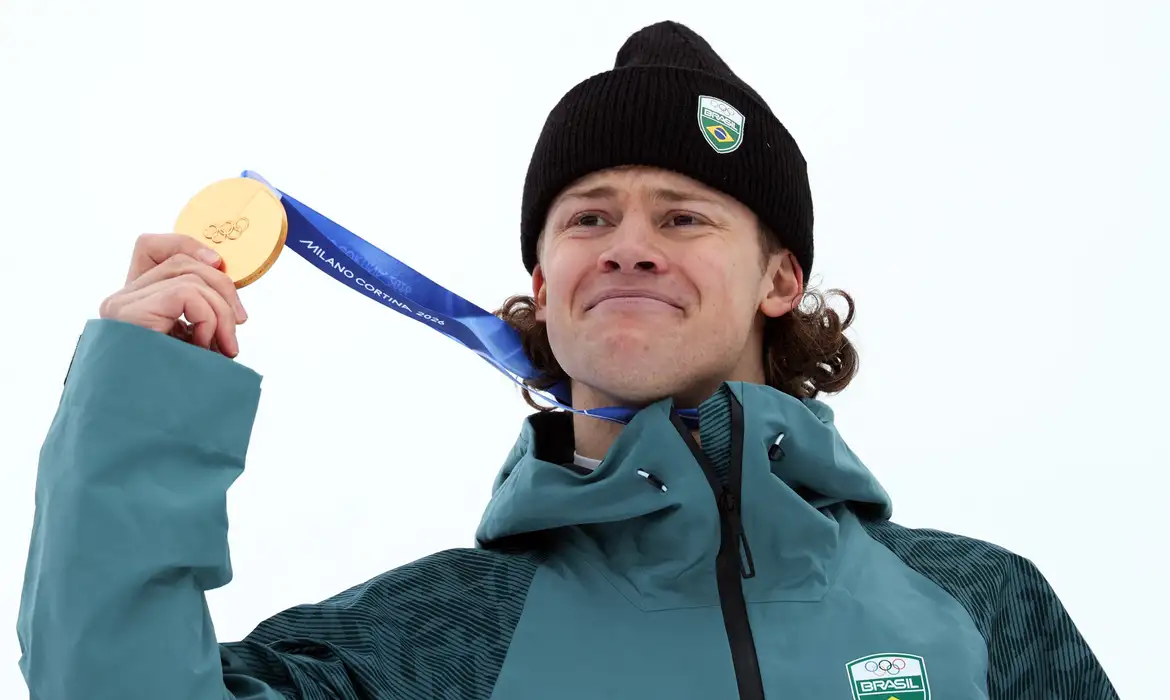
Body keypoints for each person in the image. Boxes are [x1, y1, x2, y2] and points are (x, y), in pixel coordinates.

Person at [17, 20, 1117, 700]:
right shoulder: (440, 638)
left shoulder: (978, 605)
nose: (629, 241)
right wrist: (141, 401)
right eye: (588, 217)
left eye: (684, 217)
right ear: (544, 288)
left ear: (782, 280)